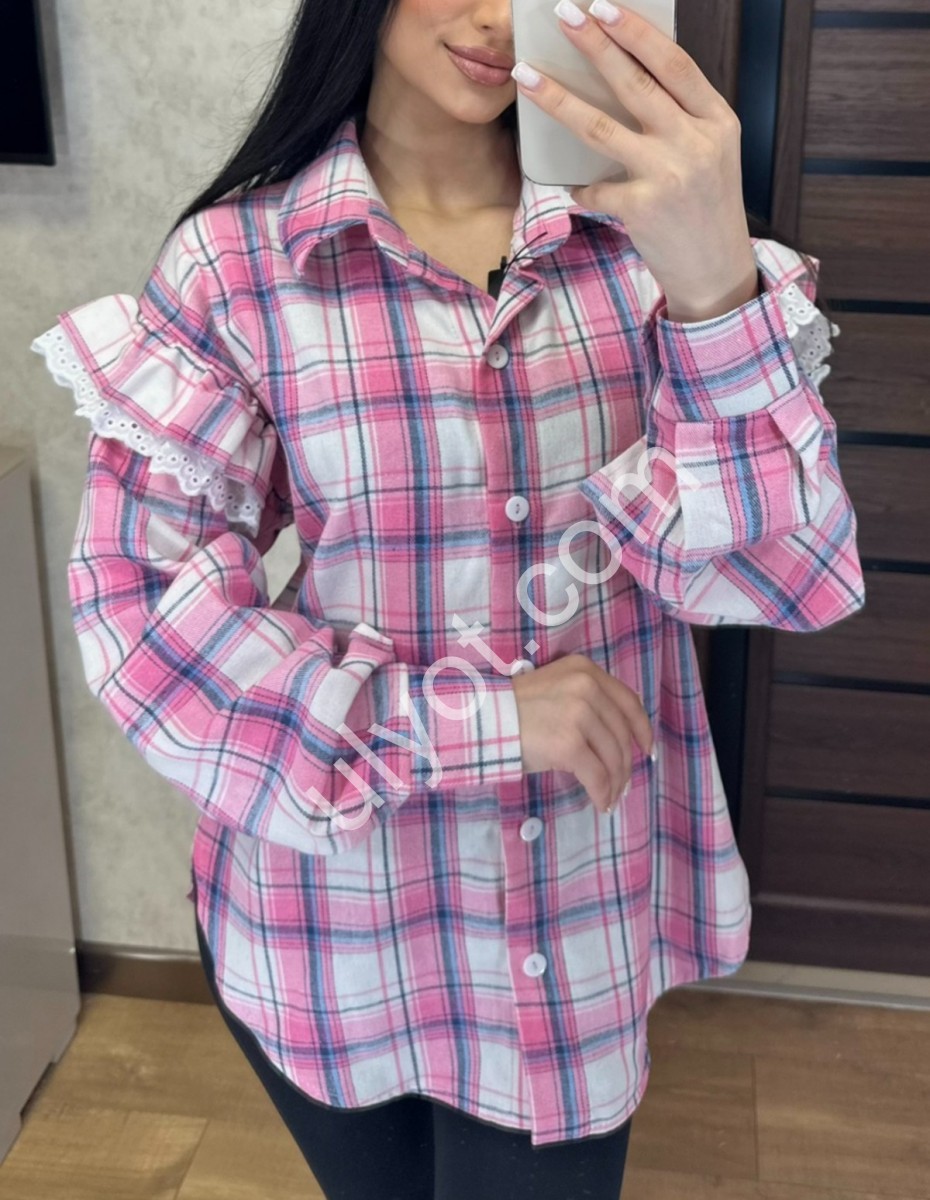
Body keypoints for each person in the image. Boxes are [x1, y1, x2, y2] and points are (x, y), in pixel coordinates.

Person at [30, 0, 865, 1195]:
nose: (493, 16)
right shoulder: (236, 269)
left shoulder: (644, 244)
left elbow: (786, 575)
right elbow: (148, 625)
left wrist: (717, 287)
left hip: (576, 918)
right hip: (334, 928)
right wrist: (481, 721)